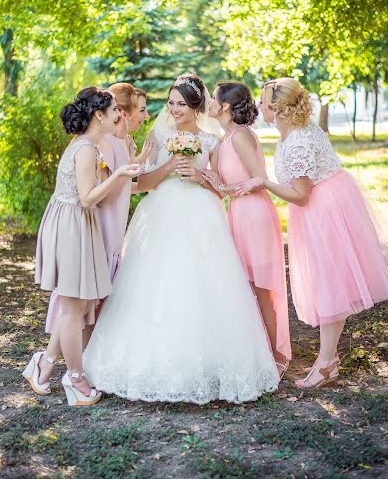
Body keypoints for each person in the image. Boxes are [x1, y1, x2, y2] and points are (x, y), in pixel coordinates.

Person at [83, 74, 280, 404]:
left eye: (181, 104)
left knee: (204, 284)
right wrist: (171, 166)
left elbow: (219, 187)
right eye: (171, 102)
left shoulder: (211, 141)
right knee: (155, 282)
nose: (174, 109)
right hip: (160, 212)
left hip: (202, 213)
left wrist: (200, 176)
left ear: (196, 106)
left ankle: (211, 361)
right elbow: (142, 183)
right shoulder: (158, 134)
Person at [235, 78, 388, 389]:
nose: (258, 107)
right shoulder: (297, 130)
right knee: (330, 282)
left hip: (322, 210)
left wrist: (263, 182)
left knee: (328, 282)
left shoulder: (298, 141)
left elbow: (300, 195)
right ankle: (328, 360)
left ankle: (325, 364)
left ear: (278, 109)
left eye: (263, 102)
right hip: (327, 202)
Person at [23, 87, 140, 406]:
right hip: (73, 224)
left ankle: (44, 364)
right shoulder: (87, 148)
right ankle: (75, 379)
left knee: (73, 305)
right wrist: (119, 174)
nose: (120, 114)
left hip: (76, 223)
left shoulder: (90, 143)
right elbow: (88, 197)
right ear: (99, 115)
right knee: (73, 309)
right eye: (115, 109)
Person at [203, 82, 291, 377]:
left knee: (262, 287)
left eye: (213, 99)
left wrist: (222, 186)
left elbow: (258, 178)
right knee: (248, 286)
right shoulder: (225, 138)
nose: (210, 103)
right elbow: (220, 183)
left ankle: (277, 356)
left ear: (225, 106)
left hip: (254, 214)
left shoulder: (240, 136)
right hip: (239, 214)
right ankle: (261, 349)